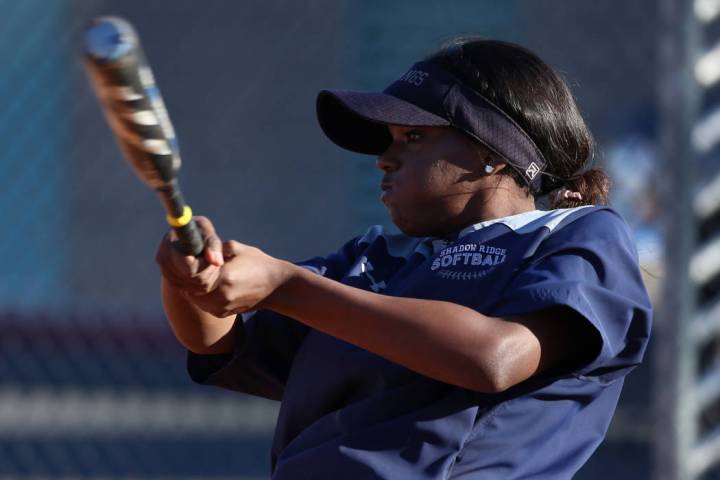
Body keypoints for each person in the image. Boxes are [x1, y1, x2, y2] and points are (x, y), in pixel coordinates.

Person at [156, 38, 652, 479]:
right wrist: (193, 283)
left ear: (494, 152)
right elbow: (223, 344)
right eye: (390, 140)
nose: (384, 159)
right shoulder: (371, 259)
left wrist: (287, 287)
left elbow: (494, 359)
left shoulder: (574, 235)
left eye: (413, 137)